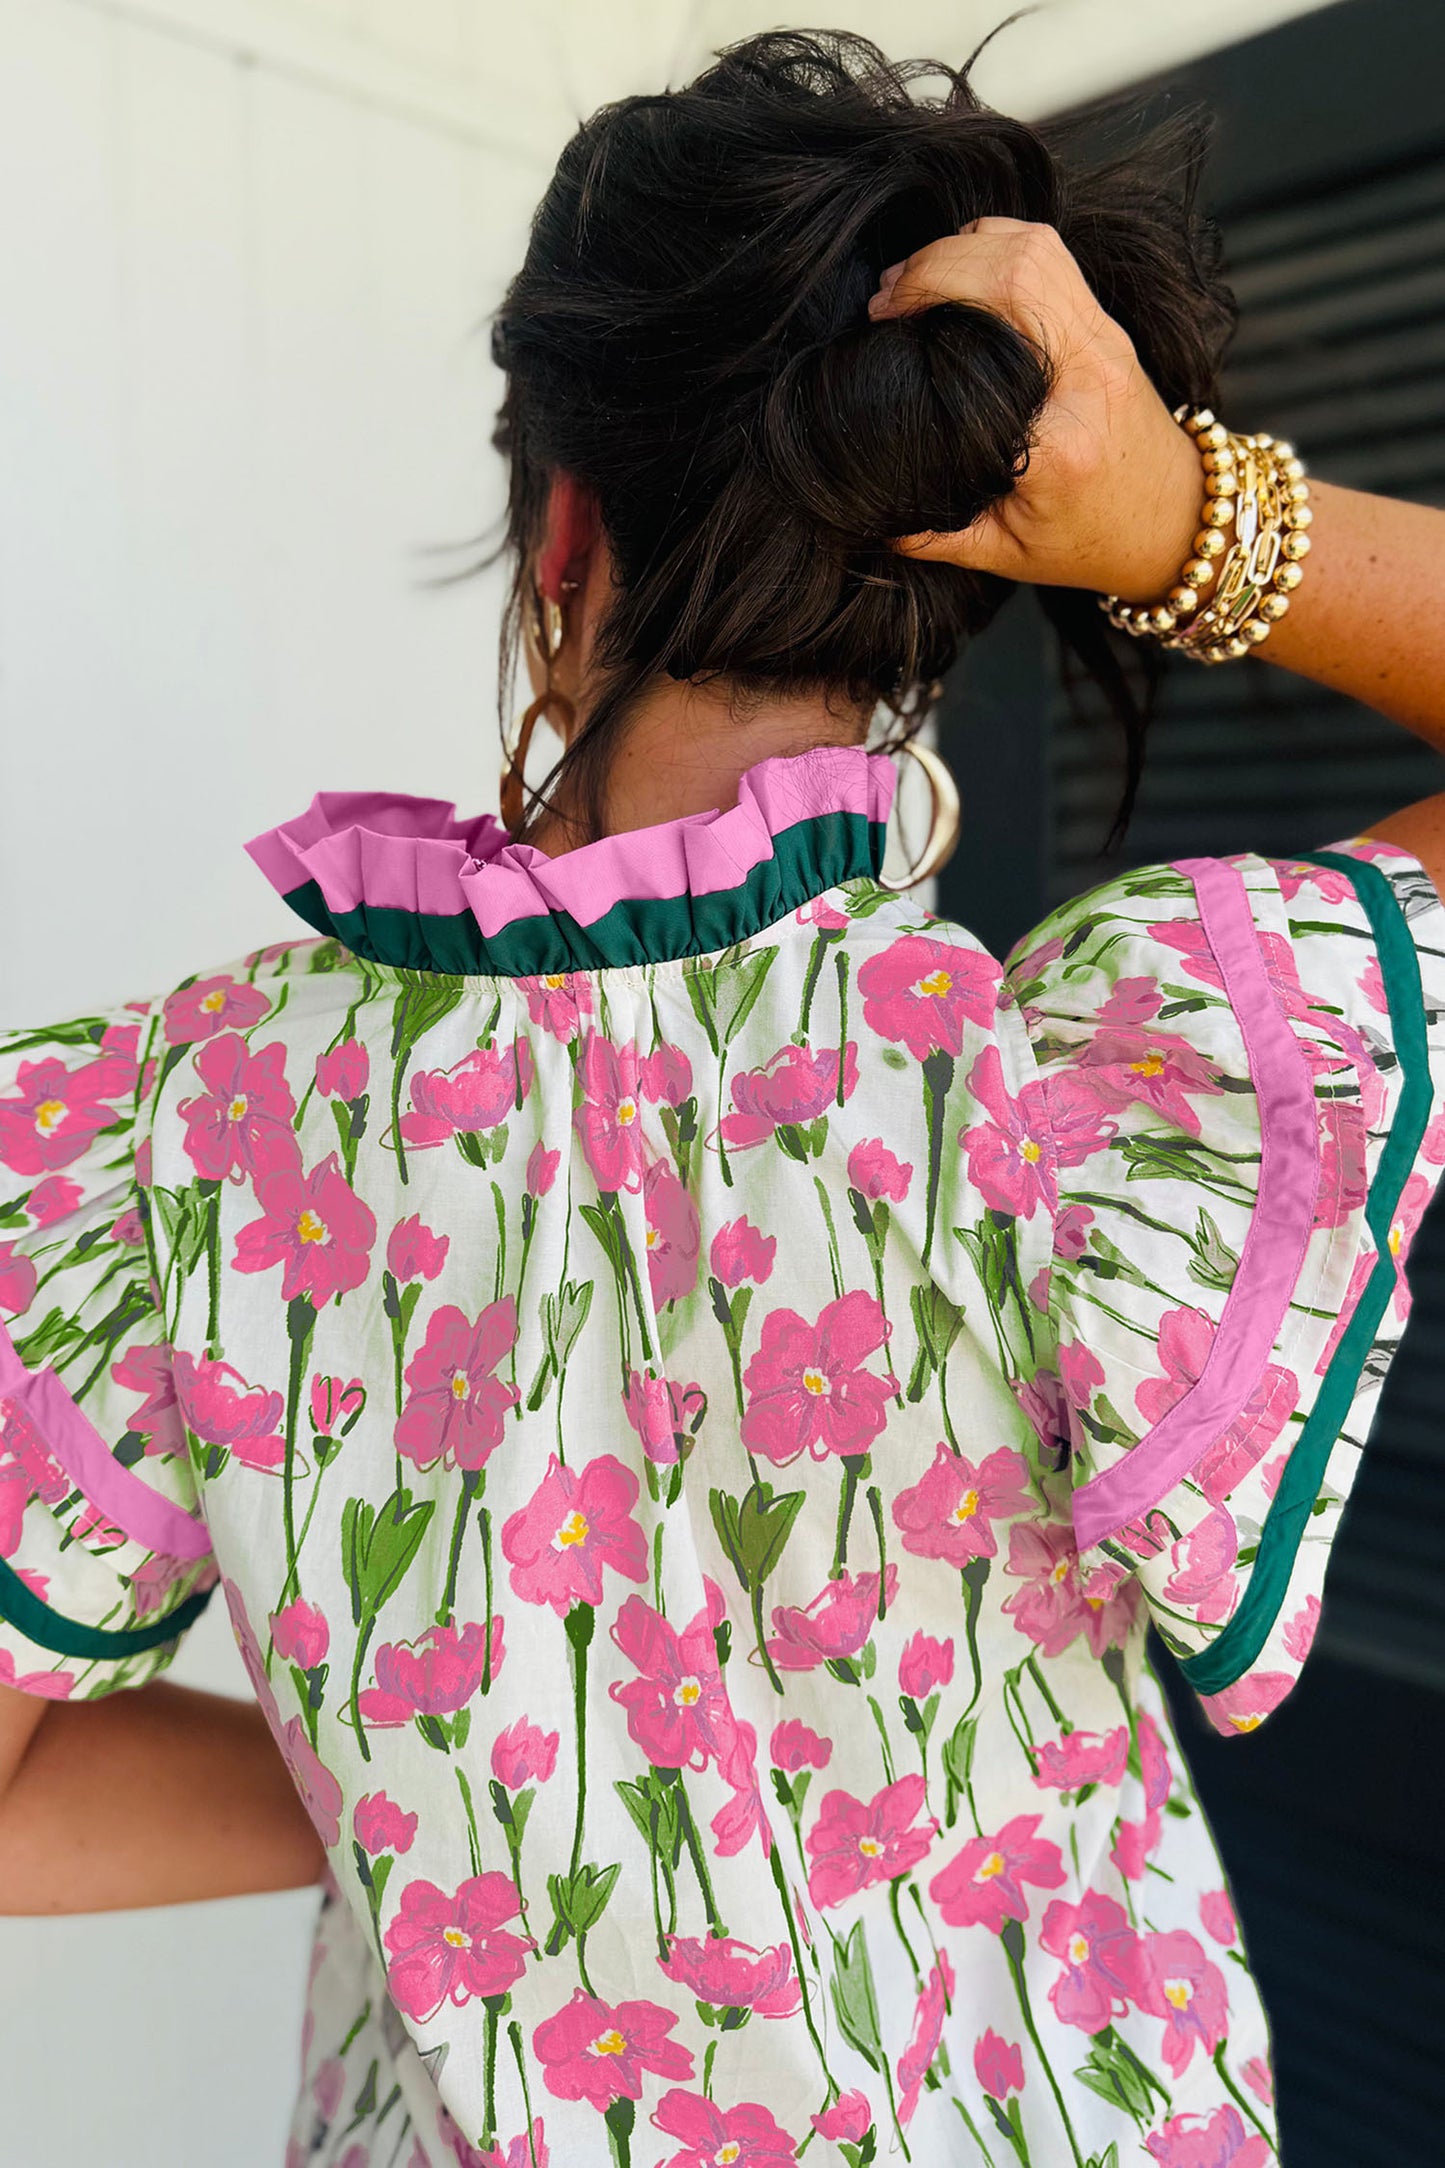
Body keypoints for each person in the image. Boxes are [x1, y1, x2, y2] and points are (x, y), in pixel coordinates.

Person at [2, 30, 1444, 2168]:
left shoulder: (168, 1142)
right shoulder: (1088, 1086)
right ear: (957, 564)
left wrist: (435, 1814)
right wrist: (1190, 521)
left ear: (562, 524)